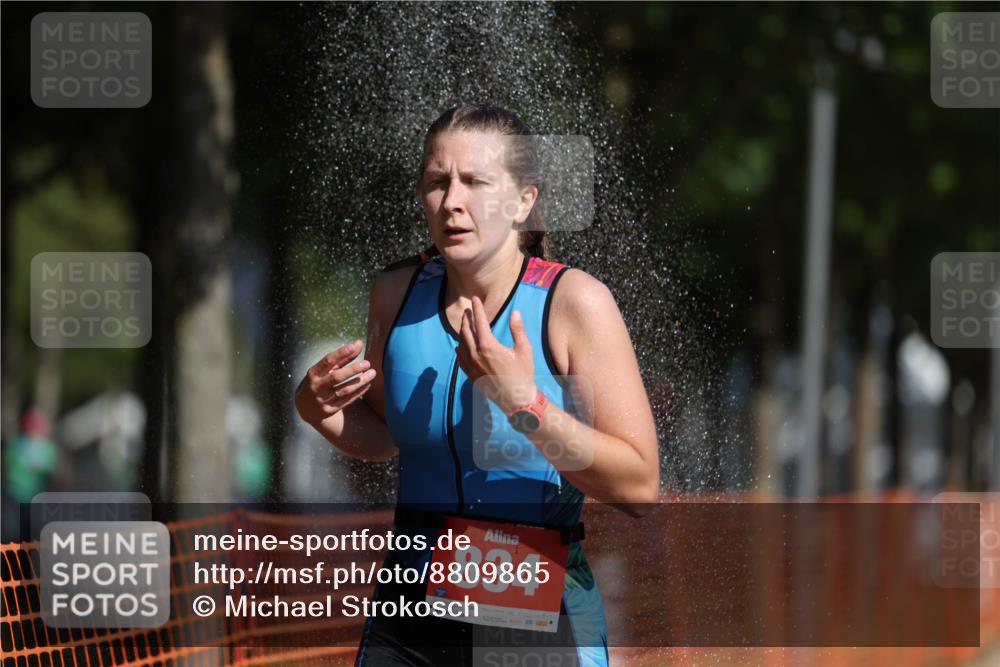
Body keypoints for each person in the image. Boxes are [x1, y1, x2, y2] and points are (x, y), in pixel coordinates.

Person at [295, 103, 659, 666]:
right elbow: (387, 436)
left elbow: (637, 487)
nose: (453, 201)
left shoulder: (573, 304)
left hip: (530, 601)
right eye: (438, 182)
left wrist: (525, 403)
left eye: (476, 182)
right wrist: (317, 409)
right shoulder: (395, 293)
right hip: (408, 601)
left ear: (523, 201)